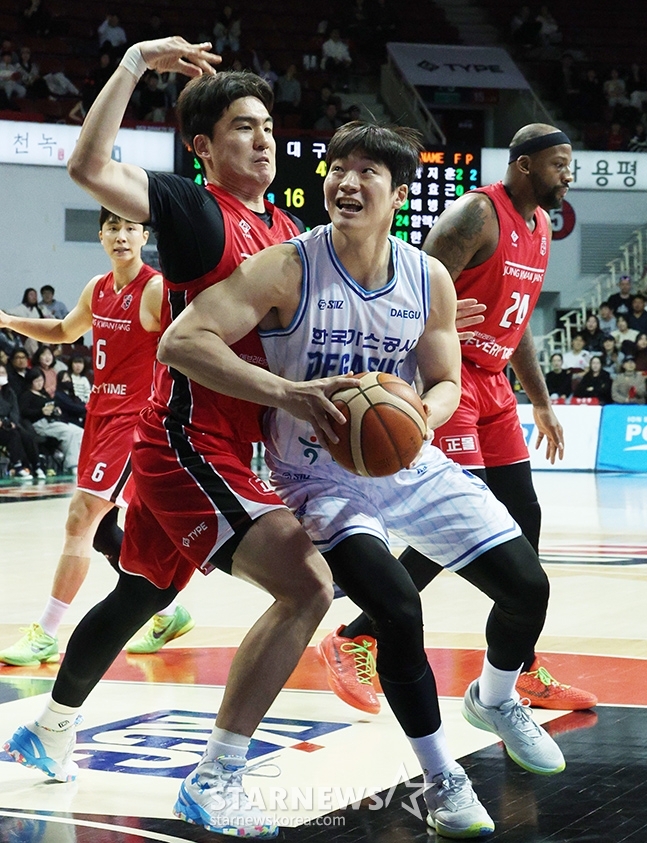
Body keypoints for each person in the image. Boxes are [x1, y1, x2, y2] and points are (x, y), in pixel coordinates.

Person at [158, 120, 567, 839]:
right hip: (318, 479)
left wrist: (422, 412)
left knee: (527, 587)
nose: (346, 182)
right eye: (337, 169)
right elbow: (181, 340)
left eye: (366, 172)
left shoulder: (427, 277)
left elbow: (445, 380)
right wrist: (286, 394)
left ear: (398, 192)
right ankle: (442, 779)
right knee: (398, 611)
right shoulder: (287, 266)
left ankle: (495, 697)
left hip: (407, 463)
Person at [4, 36, 349, 839]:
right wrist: (132, 64)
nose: (261, 139)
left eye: (268, 126)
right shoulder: (196, 210)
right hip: (184, 441)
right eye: (241, 127)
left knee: (142, 593)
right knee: (306, 586)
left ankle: (50, 725)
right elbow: (88, 167)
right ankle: (213, 778)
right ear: (202, 146)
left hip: (224, 441)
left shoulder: (288, 227)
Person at [322, 123, 597, 715]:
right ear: (524, 165)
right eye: (559, 163)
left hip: (496, 384)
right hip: (452, 378)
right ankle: (358, 634)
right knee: (456, 518)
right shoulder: (476, 214)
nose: (568, 175)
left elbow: (518, 325)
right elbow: (409, 285)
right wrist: (437, 318)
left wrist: (541, 400)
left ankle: (521, 665)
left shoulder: (540, 228)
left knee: (523, 517)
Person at [0, 207, 193, 667]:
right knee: (103, 530)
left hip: (134, 420)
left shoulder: (155, 289)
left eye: (130, 228)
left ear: (144, 236)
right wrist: (8, 321)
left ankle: (47, 632)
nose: (121, 236)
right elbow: (64, 330)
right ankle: (168, 610)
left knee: (80, 516)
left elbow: (190, 344)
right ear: (102, 236)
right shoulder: (97, 287)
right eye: (113, 228)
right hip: (99, 416)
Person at [18, 367, 83, 474]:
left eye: (41, 380)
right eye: (36, 381)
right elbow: (24, 412)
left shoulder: (45, 394)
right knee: (68, 433)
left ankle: (81, 462)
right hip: (40, 423)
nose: (39, 383)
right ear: (31, 382)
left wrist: (56, 410)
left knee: (80, 432)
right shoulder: (27, 395)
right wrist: (41, 411)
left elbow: (53, 405)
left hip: (54, 420)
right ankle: (71, 465)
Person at [0, 362, 45, 478]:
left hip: (9, 424)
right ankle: (18, 466)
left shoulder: (9, 392)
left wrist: (13, 422)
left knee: (27, 435)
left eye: (3, 373)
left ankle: (36, 465)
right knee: (13, 435)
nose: (1, 376)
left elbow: (15, 410)